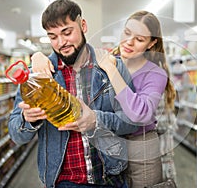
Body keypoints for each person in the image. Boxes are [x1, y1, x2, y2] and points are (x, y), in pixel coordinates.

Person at [32, 10, 176, 188]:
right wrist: (39, 56)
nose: (129, 42)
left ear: (151, 43)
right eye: (127, 33)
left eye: (139, 39)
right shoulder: (109, 57)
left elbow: (139, 115)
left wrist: (112, 70)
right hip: (110, 141)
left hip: (140, 145)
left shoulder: (154, 73)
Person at [8, 0, 139, 188]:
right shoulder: (36, 77)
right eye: (53, 37)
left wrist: (95, 120)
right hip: (64, 182)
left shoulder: (113, 67)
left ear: (83, 25)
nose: (61, 42)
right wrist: (29, 119)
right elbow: (16, 134)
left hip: (111, 177)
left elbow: (132, 121)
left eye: (67, 32)